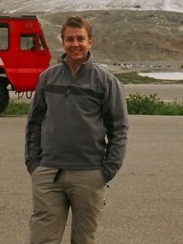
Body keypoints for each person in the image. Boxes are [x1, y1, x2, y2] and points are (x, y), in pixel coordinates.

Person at [24, 16, 129, 244]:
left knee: (84, 239)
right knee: (42, 239)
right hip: (48, 172)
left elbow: (119, 129)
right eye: (70, 39)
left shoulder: (106, 82)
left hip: (89, 174)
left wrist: (107, 170)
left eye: (80, 38)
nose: (75, 44)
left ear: (90, 41)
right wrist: (34, 163)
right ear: (63, 42)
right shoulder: (47, 79)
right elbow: (34, 123)